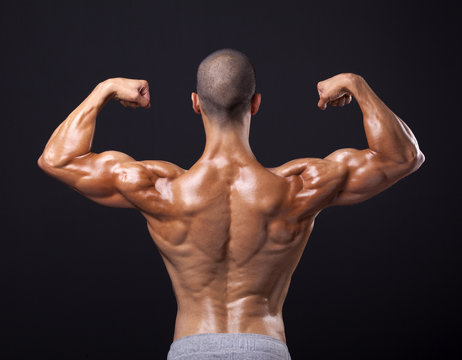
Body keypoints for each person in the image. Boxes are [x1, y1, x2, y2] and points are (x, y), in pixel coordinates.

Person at [37, 48, 425, 359]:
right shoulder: (299, 188)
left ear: (195, 104)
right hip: (265, 348)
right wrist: (356, 85)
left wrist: (104, 89)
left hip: (191, 348)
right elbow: (402, 157)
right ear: (255, 103)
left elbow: (58, 159)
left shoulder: (160, 189)